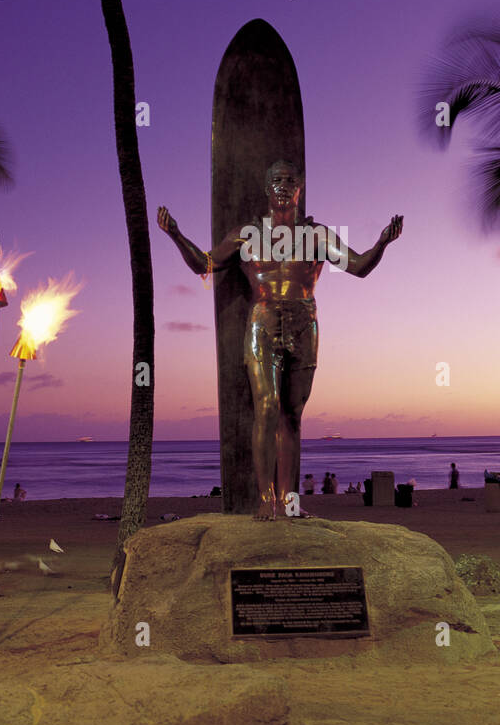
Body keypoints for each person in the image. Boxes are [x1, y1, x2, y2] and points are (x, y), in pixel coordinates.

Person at [158, 163, 402, 518]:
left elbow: (360, 266)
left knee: (293, 415)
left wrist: (381, 242)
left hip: (305, 321)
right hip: (263, 320)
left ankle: (289, 503)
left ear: (300, 188)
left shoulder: (317, 235)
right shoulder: (246, 234)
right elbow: (205, 264)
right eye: (277, 180)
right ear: (266, 189)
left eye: (290, 180)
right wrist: (176, 235)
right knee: (268, 407)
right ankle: (265, 499)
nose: (284, 186)